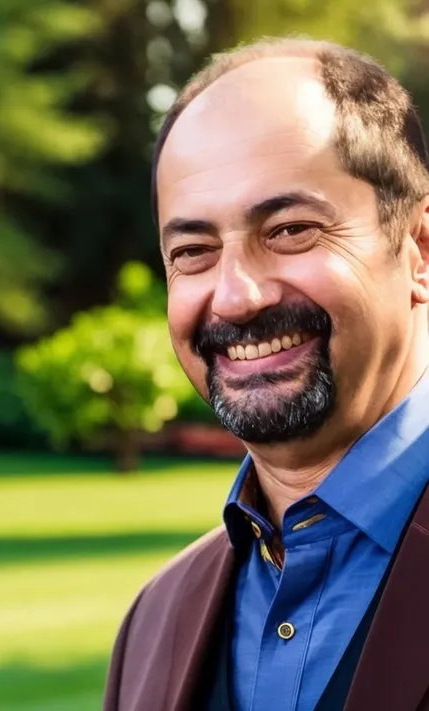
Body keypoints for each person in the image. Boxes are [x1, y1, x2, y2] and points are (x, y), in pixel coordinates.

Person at [103, 37, 429, 711]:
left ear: (419, 250)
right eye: (193, 250)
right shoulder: (152, 622)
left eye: (288, 230)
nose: (236, 296)